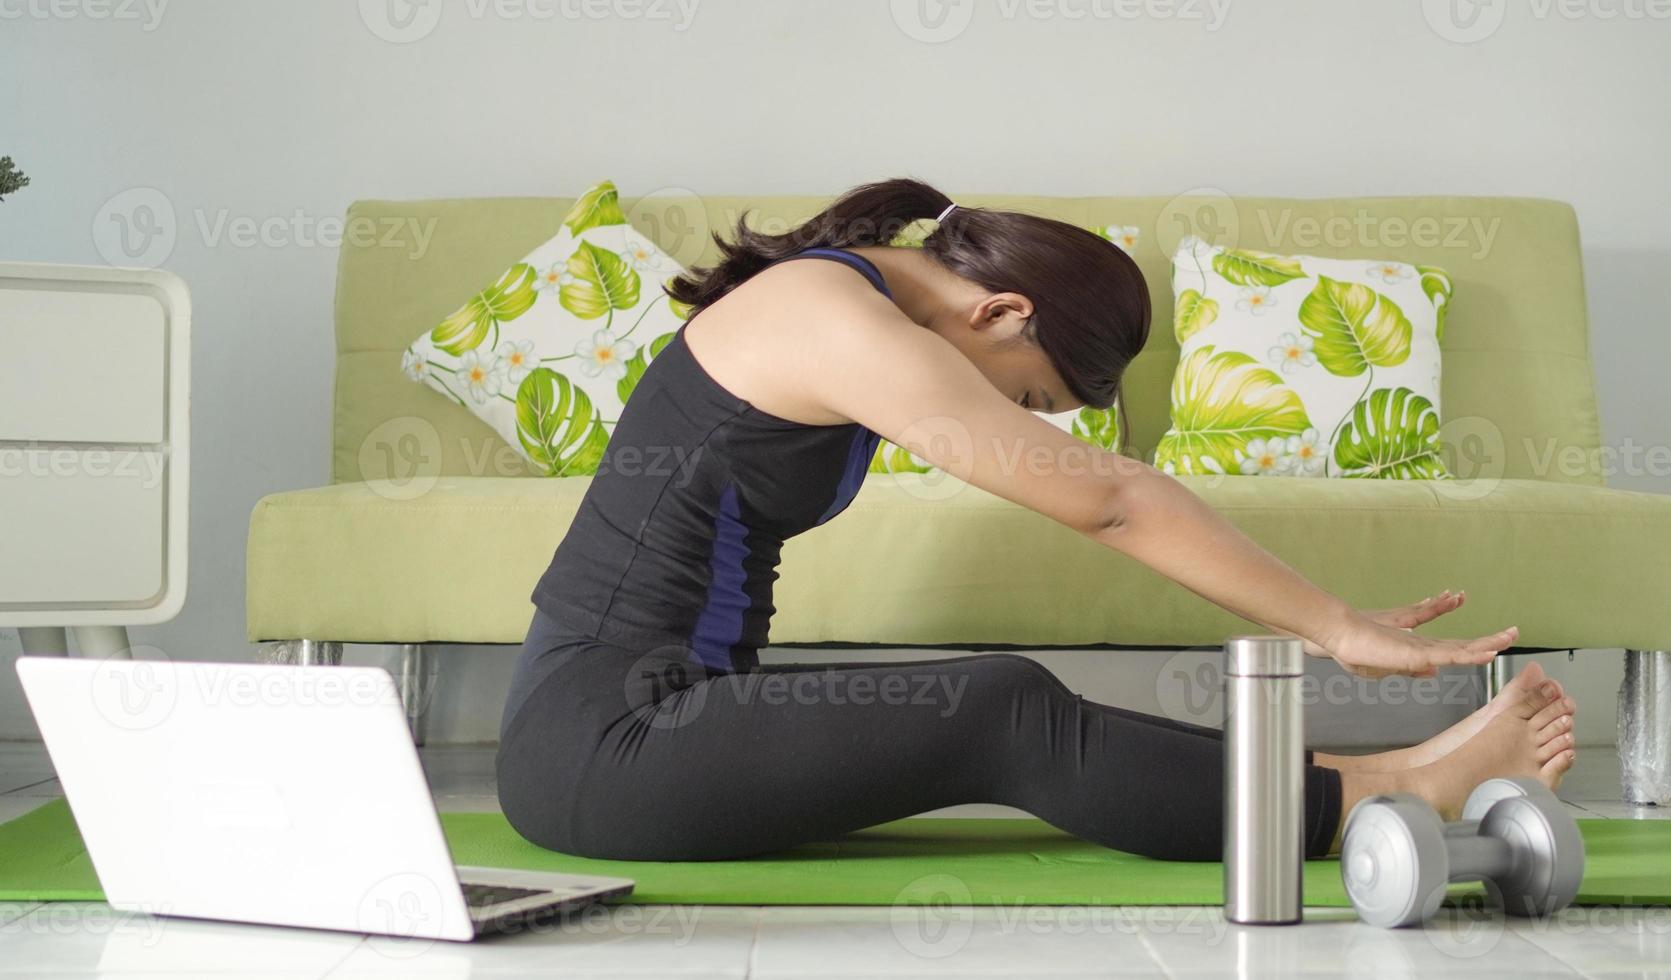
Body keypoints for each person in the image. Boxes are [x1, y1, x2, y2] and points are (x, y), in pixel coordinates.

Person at [496, 178, 1577, 862]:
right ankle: (1362, 801)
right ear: (1002, 311)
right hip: (605, 742)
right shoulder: (830, 316)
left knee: (1004, 703)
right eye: (1029, 400)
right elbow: (1109, 500)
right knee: (997, 707)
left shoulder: (845, 303)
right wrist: (1335, 626)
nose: (1018, 425)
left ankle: (1379, 779)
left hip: (665, 714)